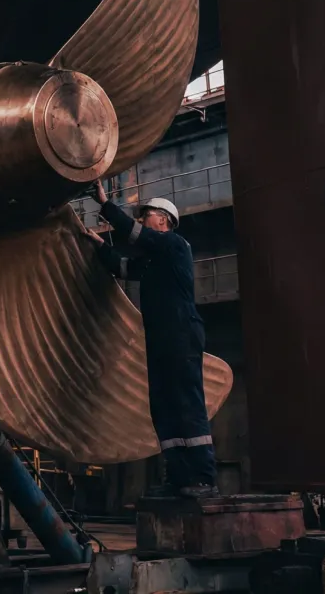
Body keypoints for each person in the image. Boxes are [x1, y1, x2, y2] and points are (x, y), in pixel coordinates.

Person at [87, 180, 218, 498]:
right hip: (161, 338)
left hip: (181, 333)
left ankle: (203, 478)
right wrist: (98, 245)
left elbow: (134, 234)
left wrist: (105, 204)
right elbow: (122, 267)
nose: (142, 220)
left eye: (146, 216)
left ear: (164, 220)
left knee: (186, 401)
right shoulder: (154, 259)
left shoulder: (174, 245)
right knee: (163, 404)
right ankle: (179, 477)